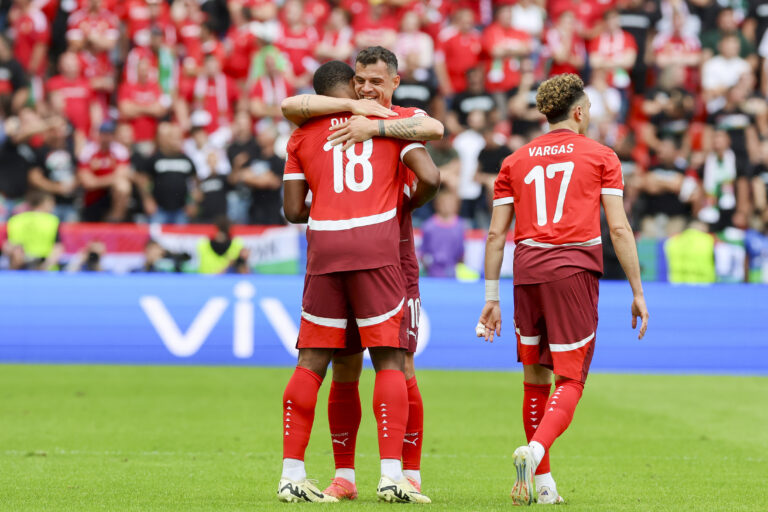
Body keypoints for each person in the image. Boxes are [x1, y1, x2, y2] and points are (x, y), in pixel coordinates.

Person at [475, 74, 649, 505]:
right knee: (571, 378)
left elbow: (496, 236)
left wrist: (491, 297)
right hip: (572, 269)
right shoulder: (601, 155)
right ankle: (535, 452)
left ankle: (546, 487)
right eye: (588, 108)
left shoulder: (513, 161)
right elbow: (620, 228)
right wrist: (637, 290)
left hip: (527, 270)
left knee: (535, 378)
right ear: (578, 111)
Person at [278, 53, 440, 504]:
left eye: (375, 82)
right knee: (390, 361)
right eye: (361, 83)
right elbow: (431, 173)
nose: (368, 91)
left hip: (328, 247)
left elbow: (292, 210)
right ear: (350, 85)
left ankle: (297, 472)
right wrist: (403, 199)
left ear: (394, 80)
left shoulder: (307, 132)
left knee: (321, 362)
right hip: (381, 247)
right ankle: (383, 476)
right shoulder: (390, 118)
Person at [4, 190, 62, 271]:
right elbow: (58, 248)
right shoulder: (52, 221)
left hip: (19, 268)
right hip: (45, 270)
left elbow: (8, 246)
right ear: (44, 203)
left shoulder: (15, 220)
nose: (54, 206)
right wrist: (45, 266)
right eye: (51, 202)